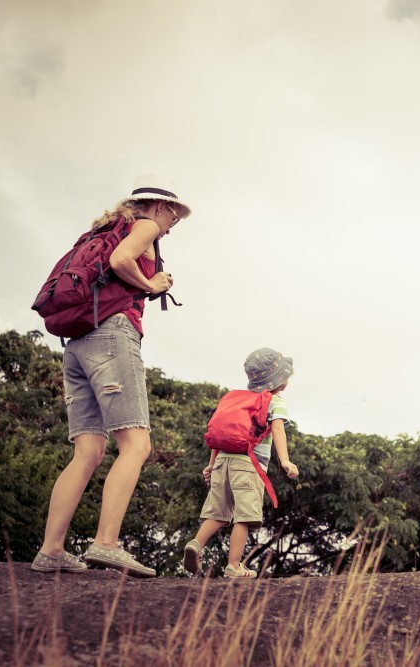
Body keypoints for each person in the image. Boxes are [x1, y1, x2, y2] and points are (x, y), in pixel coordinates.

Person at [32, 174, 190, 577]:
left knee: (87, 451)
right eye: (174, 214)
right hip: (111, 334)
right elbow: (122, 261)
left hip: (78, 340)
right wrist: (151, 283)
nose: (173, 224)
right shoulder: (146, 226)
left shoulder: (100, 230)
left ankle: (51, 550)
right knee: (136, 443)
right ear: (158, 207)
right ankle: (106, 543)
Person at [183, 348, 300, 578]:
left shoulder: (235, 399)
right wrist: (285, 460)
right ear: (280, 380)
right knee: (245, 516)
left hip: (222, 461)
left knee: (217, 513)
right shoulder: (274, 401)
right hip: (248, 465)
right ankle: (234, 565)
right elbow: (277, 429)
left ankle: (196, 544)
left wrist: (211, 464)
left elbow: (220, 433)